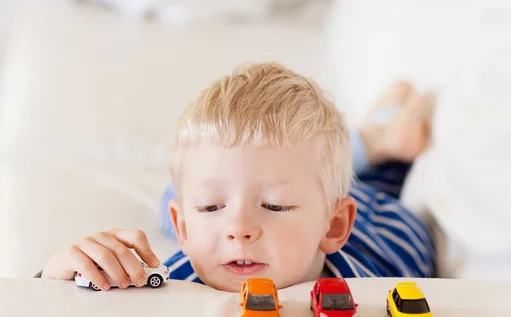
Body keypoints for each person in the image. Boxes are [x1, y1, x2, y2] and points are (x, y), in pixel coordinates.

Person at [40, 62, 435, 292]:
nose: (238, 229)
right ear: (181, 230)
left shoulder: (373, 282)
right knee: (182, 190)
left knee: (366, 179)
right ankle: (372, 132)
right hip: (232, 205)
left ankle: (380, 132)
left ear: (333, 226)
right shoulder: (174, 277)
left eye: (275, 206)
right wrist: (54, 277)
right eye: (212, 207)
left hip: (368, 213)